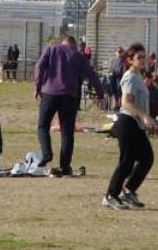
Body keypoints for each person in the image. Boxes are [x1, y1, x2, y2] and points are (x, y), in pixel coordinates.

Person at [34, 35, 106, 177]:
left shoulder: (51, 49)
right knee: (67, 132)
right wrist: (100, 95)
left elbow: (39, 66)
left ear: (63, 42)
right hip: (69, 96)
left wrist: (38, 86)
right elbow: (92, 75)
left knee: (43, 125)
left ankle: (47, 153)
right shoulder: (79, 57)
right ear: (74, 45)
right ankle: (65, 166)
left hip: (49, 93)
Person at [103, 43, 155, 209]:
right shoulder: (130, 76)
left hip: (136, 124)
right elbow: (126, 103)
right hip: (127, 123)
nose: (142, 60)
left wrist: (148, 119)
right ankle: (110, 196)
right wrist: (144, 116)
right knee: (126, 162)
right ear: (130, 60)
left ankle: (129, 191)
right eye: (139, 57)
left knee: (147, 157)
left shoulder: (138, 76)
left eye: (144, 56)